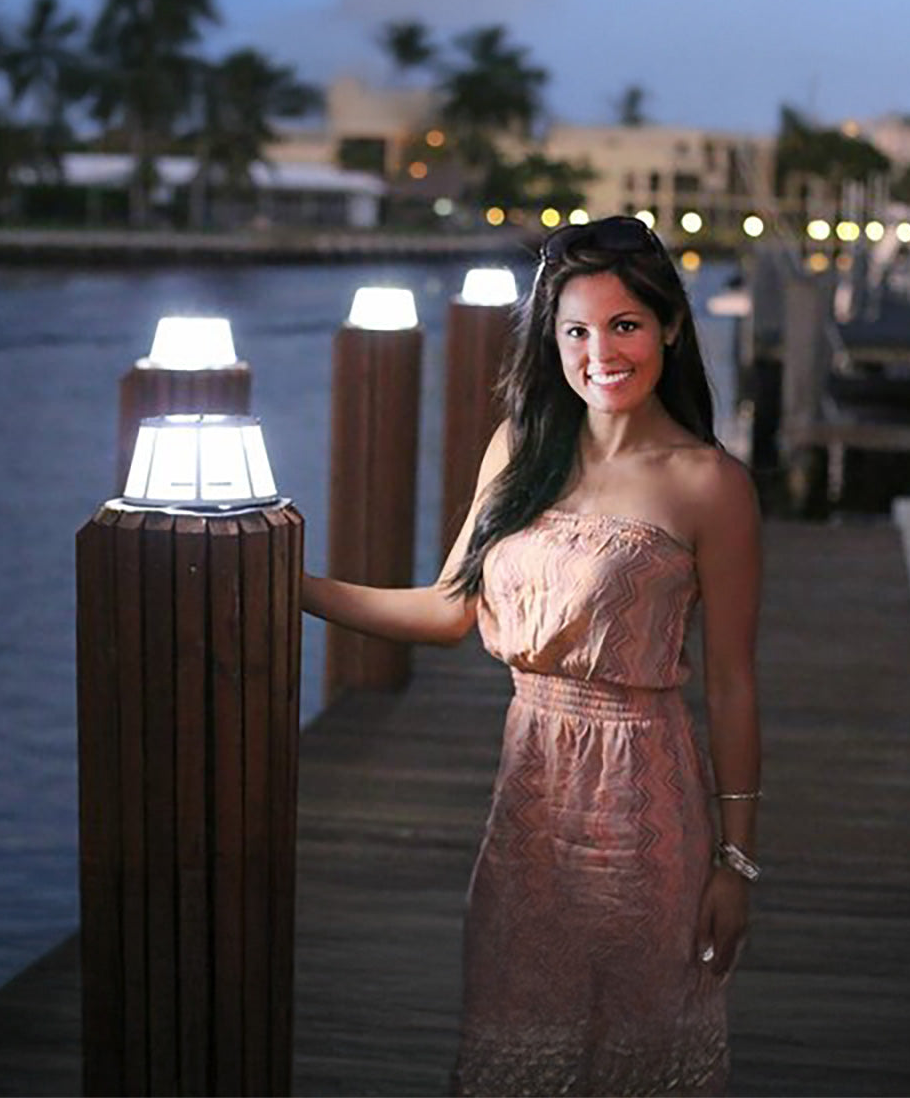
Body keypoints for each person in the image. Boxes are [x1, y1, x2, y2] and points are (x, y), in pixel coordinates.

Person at [301, 214, 762, 1097]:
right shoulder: (520, 449)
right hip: (527, 798)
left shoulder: (710, 483)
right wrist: (292, 581)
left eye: (624, 325)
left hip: (645, 800)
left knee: (637, 1051)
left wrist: (734, 863)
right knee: (514, 1047)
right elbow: (446, 611)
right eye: (576, 330)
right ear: (551, 338)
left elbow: (736, 685)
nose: (601, 353)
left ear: (668, 324)